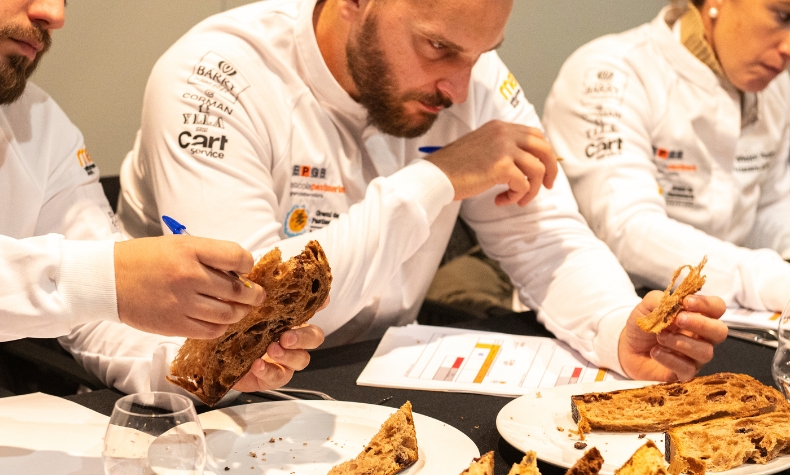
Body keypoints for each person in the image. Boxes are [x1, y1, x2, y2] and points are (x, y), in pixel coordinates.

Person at [118, 0, 731, 386]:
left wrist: (613, 322)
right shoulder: (214, 74)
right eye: (438, 47)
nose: (461, 89)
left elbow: (544, 239)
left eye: (481, 54)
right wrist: (438, 179)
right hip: (198, 400)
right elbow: (250, 316)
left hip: (380, 381)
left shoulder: (473, 81)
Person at [0, 0, 323, 434]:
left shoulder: (37, 124)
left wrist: (209, 357)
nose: (56, 14)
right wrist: (103, 279)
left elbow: (102, 318)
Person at [543, 0, 790, 313]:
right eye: (782, 16)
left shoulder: (775, 88)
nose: (788, 48)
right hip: (603, 310)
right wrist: (768, 280)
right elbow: (628, 229)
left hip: (724, 312)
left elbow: (769, 205)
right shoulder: (610, 73)